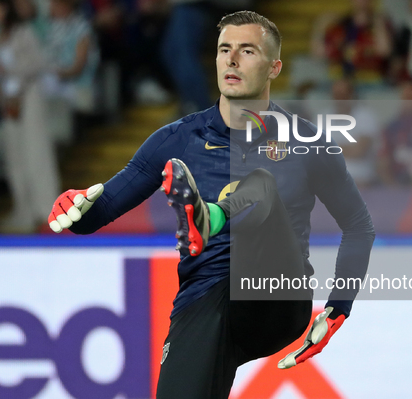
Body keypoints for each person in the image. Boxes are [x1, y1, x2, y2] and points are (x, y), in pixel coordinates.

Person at [47, 11, 375, 398]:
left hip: (275, 295)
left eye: (247, 50)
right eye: (224, 50)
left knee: (260, 185)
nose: (232, 60)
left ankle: (213, 217)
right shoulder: (176, 139)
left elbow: (358, 225)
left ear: (274, 67)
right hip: (205, 299)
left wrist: (338, 306)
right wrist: (71, 204)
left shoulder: (308, 143)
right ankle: (206, 219)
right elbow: (93, 215)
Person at [0, 0, 60, 231]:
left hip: (28, 97)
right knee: (15, 157)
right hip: (9, 102)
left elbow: (37, 63)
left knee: (35, 152)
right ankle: (23, 210)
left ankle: (47, 209)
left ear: (5, 10)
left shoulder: (24, 32)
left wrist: (9, 70)